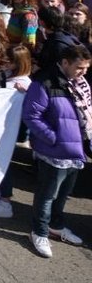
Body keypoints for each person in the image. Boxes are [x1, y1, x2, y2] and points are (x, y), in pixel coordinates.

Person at [22, 44, 91, 258]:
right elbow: (32, 116)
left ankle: (56, 225)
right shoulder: (44, 82)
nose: (84, 72)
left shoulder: (80, 83)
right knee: (47, 195)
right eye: (80, 67)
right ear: (65, 63)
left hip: (76, 150)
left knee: (63, 195)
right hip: (54, 152)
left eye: (86, 68)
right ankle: (39, 231)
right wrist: (54, 139)